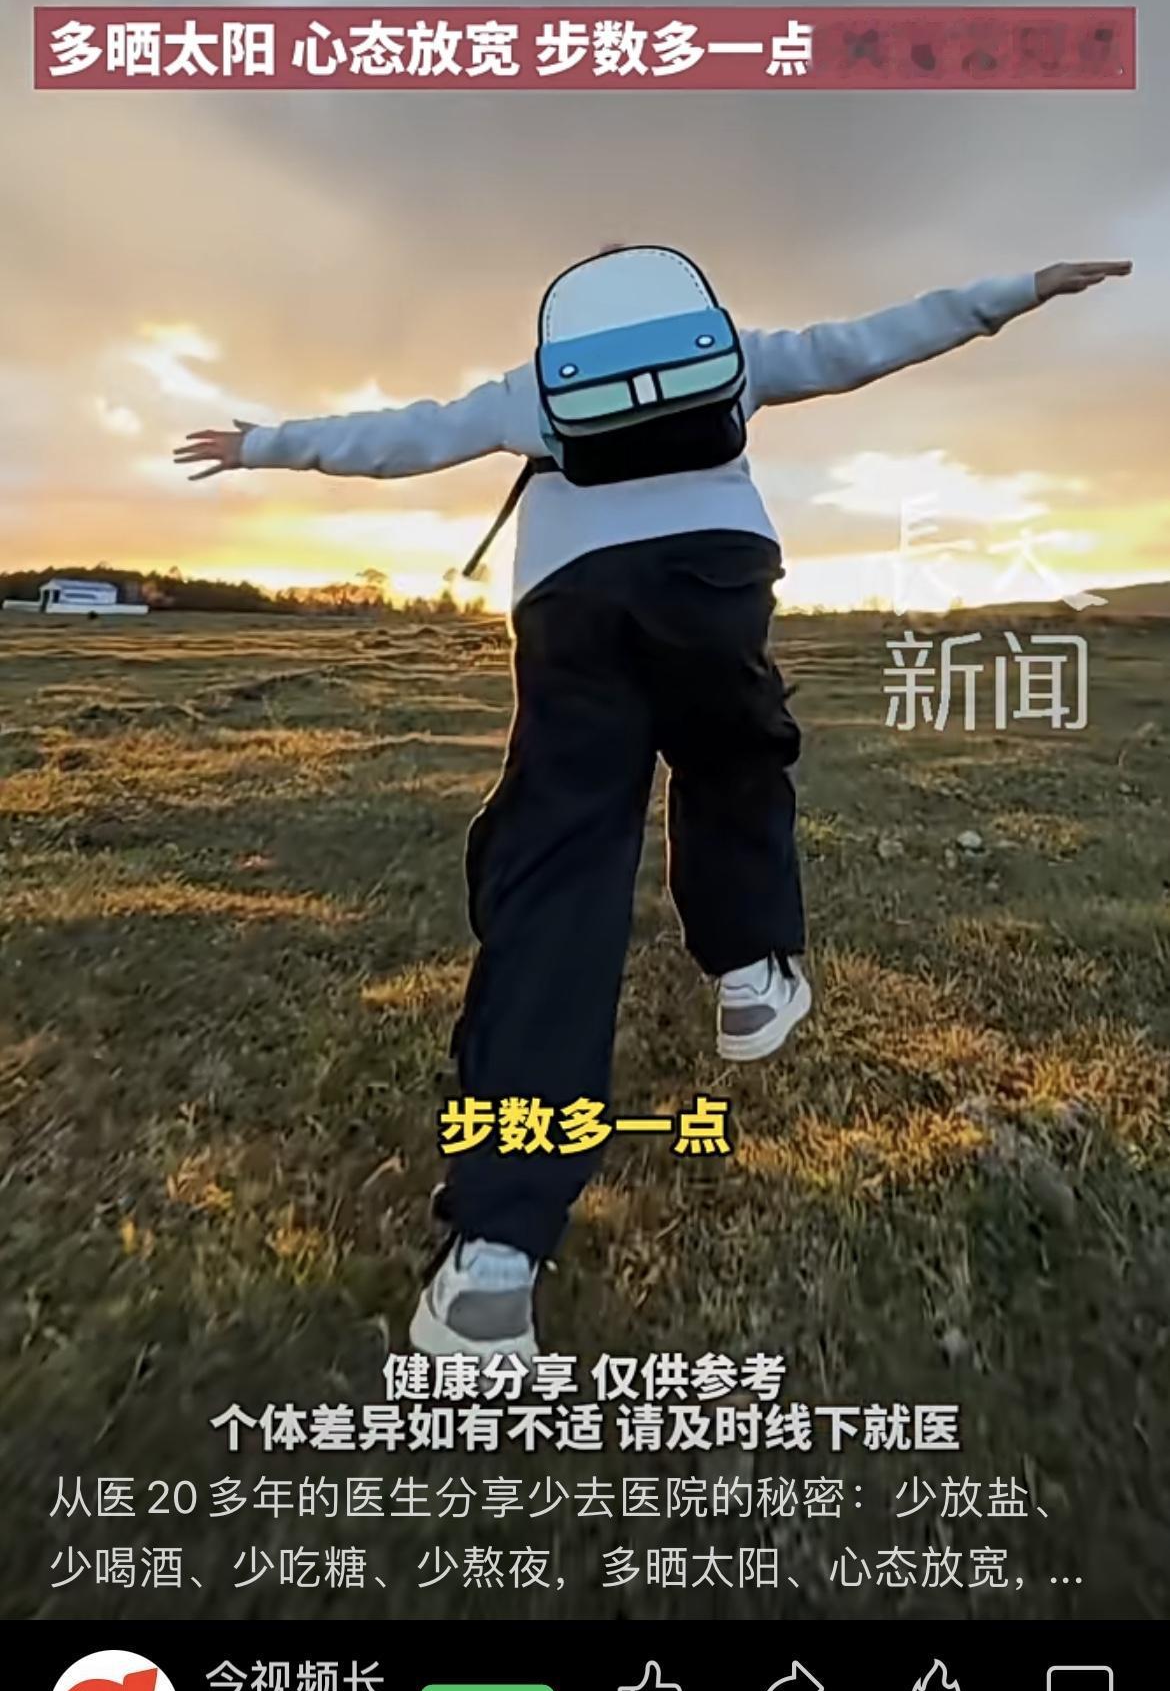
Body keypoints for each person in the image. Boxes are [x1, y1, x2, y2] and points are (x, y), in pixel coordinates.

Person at [175, 252, 1130, 1361]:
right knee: (731, 755)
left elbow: (405, 436)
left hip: (570, 603)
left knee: (558, 873)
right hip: (713, 577)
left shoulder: (534, 390)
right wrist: (1014, 292)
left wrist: (263, 443)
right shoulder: (734, 361)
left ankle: (494, 1260)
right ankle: (750, 977)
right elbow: (873, 341)